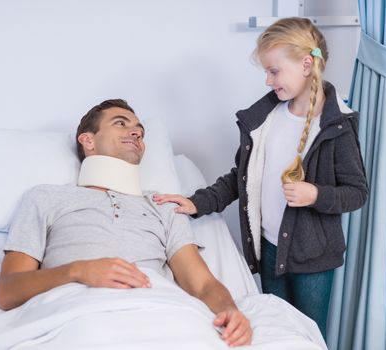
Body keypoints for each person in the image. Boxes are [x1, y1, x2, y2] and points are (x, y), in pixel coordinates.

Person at [153, 17, 368, 338]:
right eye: (266, 72)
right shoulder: (265, 120)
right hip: (268, 252)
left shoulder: (336, 126)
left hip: (314, 261)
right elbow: (239, 179)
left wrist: (315, 195)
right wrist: (195, 203)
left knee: (307, 336)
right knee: (275, 334)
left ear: (306, 65)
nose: (268, 81)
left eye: (274, 71)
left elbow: (357, 192)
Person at [0, 99, 252, 347]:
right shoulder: (46, 197)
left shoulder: (163, 205)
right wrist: (78, 271)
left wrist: (229, 310)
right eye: (121, 124)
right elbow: (8, 291)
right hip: (79, 319)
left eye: (140, 130)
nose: (136, 133)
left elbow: (202, 284)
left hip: (162, 316)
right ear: (87, 140)